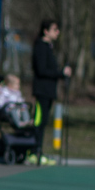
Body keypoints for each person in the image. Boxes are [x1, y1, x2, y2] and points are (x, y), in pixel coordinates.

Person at [32, 18, 71, 165]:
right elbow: (42, 70)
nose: (57, 32)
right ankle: (35, 151)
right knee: (39, 122)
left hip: (48, 91)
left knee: (43, 122)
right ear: (46, 31)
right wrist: (61, 73)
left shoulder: (48, 47)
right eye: (54, 29)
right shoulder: (40, 47)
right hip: (41, 91)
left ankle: (38, 150)